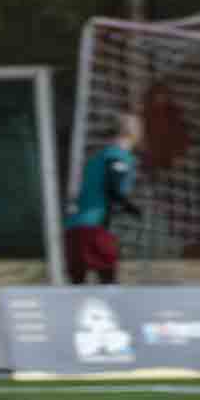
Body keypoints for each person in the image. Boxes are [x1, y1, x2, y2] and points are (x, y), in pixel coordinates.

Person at [65, 112, 141, 285]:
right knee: (109, 285)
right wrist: (131, 207)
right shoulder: (118, 156)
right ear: (132, 132)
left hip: (74, 228)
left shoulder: (96, 158)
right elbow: (113, 187)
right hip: (94, 228)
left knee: (76, 289)